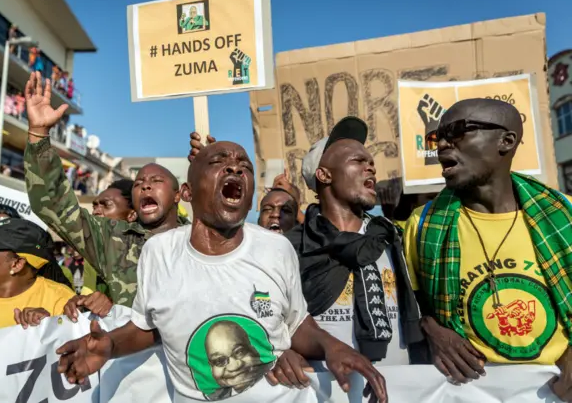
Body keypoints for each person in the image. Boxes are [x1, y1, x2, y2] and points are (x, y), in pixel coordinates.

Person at [55, 141, 388, 403]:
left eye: (244, 165)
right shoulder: (158, 253)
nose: (235, 166)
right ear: (187, 192)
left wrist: (332, 347)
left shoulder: (277, 249)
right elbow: (148, 326)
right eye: (218, 162)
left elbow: (297, 323)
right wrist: (110, 345)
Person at [403, 98, 572, 400]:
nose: (441, 144)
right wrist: (431, 329)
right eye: (436, 136)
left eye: (456, 131)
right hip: (468, 391)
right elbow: (411, 308)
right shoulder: (424, 225)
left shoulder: (564, 216)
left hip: (557, 391)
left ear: (506, 141)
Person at [23, 72, 186, 306]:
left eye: (156, 181)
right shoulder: (112, 238)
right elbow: (54, 204)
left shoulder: (201, 239)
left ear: (178, 195)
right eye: (139, 183)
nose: (146, 185)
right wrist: (39, 135)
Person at [282, 117, 424, 373]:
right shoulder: (290, 247)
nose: (370, 168)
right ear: (324, 175)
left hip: (401, 389)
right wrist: (282, 352)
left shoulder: (392, 238)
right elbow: (271, 321)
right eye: (358, 161)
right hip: (325, 392)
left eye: (370, 162)